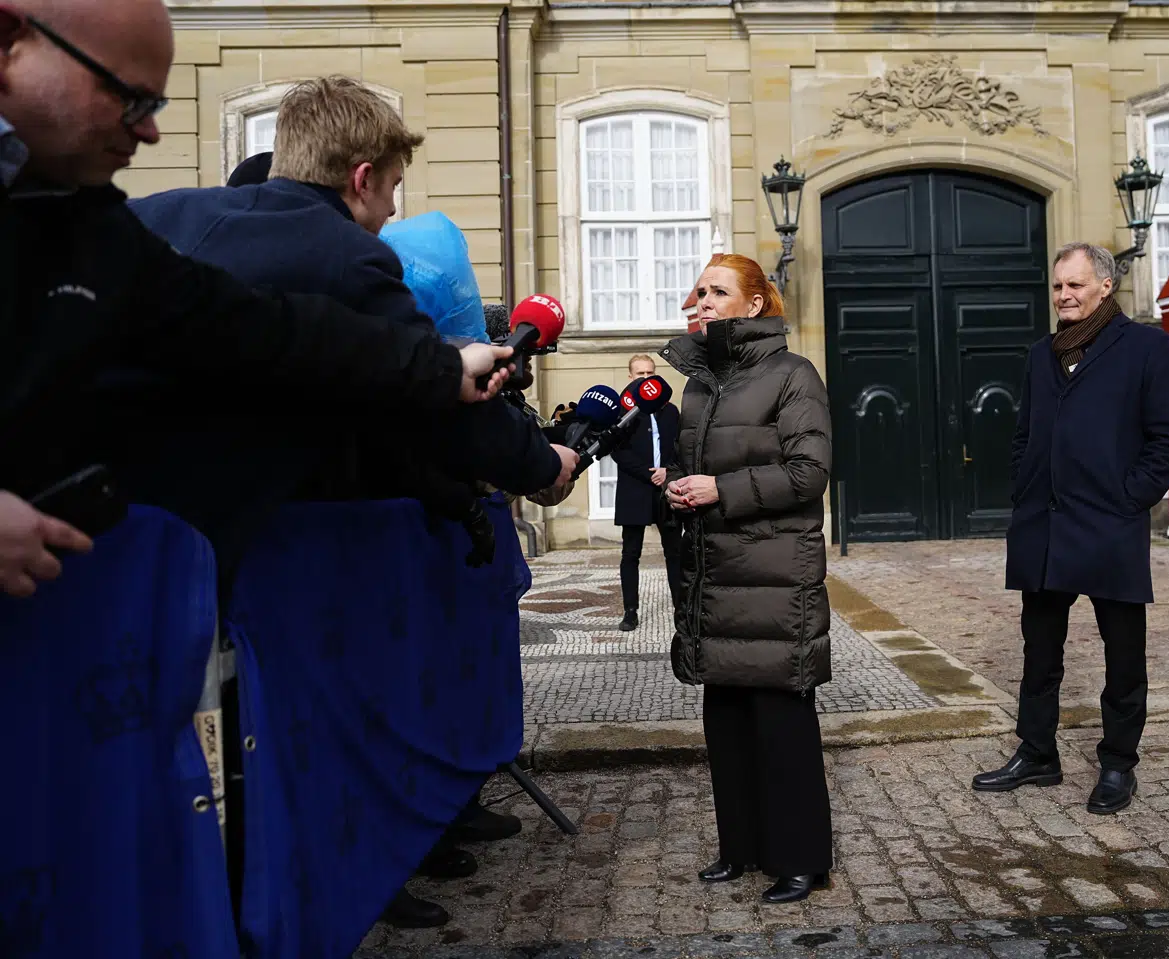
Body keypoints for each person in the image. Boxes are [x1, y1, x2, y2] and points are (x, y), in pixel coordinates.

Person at [127, 76, 568, 929]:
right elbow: (428, 407)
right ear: (363, 177)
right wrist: (537, 461)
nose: (390, 209)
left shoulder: (166, 217)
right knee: (284, 746)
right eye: (393, 187)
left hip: (134, 545)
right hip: (264, 552)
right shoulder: (346, 257)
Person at [0, 0, 513, 597]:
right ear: (11, 41)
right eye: (127, 95)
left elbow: (261, 329)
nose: (149, 130)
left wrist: (444, 365)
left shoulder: (89, 221)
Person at [973, 241, 1169, 815]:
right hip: (1043, 526)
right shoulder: (1041, 354)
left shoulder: (1146, 347)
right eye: (1058, 287)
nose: (1064, 296)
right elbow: (1025, 433)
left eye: (1075, 285)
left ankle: (1118, 763)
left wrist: (1129, 498)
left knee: (1124, 653)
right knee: (1039, 651)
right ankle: (1038, 752)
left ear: (1105, 287)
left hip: (1109, 525)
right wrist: (1022, 485)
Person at [661, 253, 833, 904]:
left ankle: (801, 858)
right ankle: (741, 847)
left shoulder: (793, 374)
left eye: (716, 291)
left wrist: (719, 488)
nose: (700, 300)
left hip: (773, 578)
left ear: (755, 305)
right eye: (698, 290)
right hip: (715, 575)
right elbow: (695, 470)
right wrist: (674, 489)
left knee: (780, 723)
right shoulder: (699, 384)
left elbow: (808, 474)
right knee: (726, 720)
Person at [611, 353, 683, 631]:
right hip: (634, 487)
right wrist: (647, 473)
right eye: (640, 374)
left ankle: (681, 609)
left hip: (666, 487)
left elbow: (680, 447)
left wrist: (667, 470)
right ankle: (630, 611)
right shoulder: (622, 411)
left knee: (674, 552)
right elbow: (618, 452)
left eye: (650, 373)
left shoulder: (670, 410)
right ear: (631, 377)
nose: (645, 379)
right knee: (631, 553)